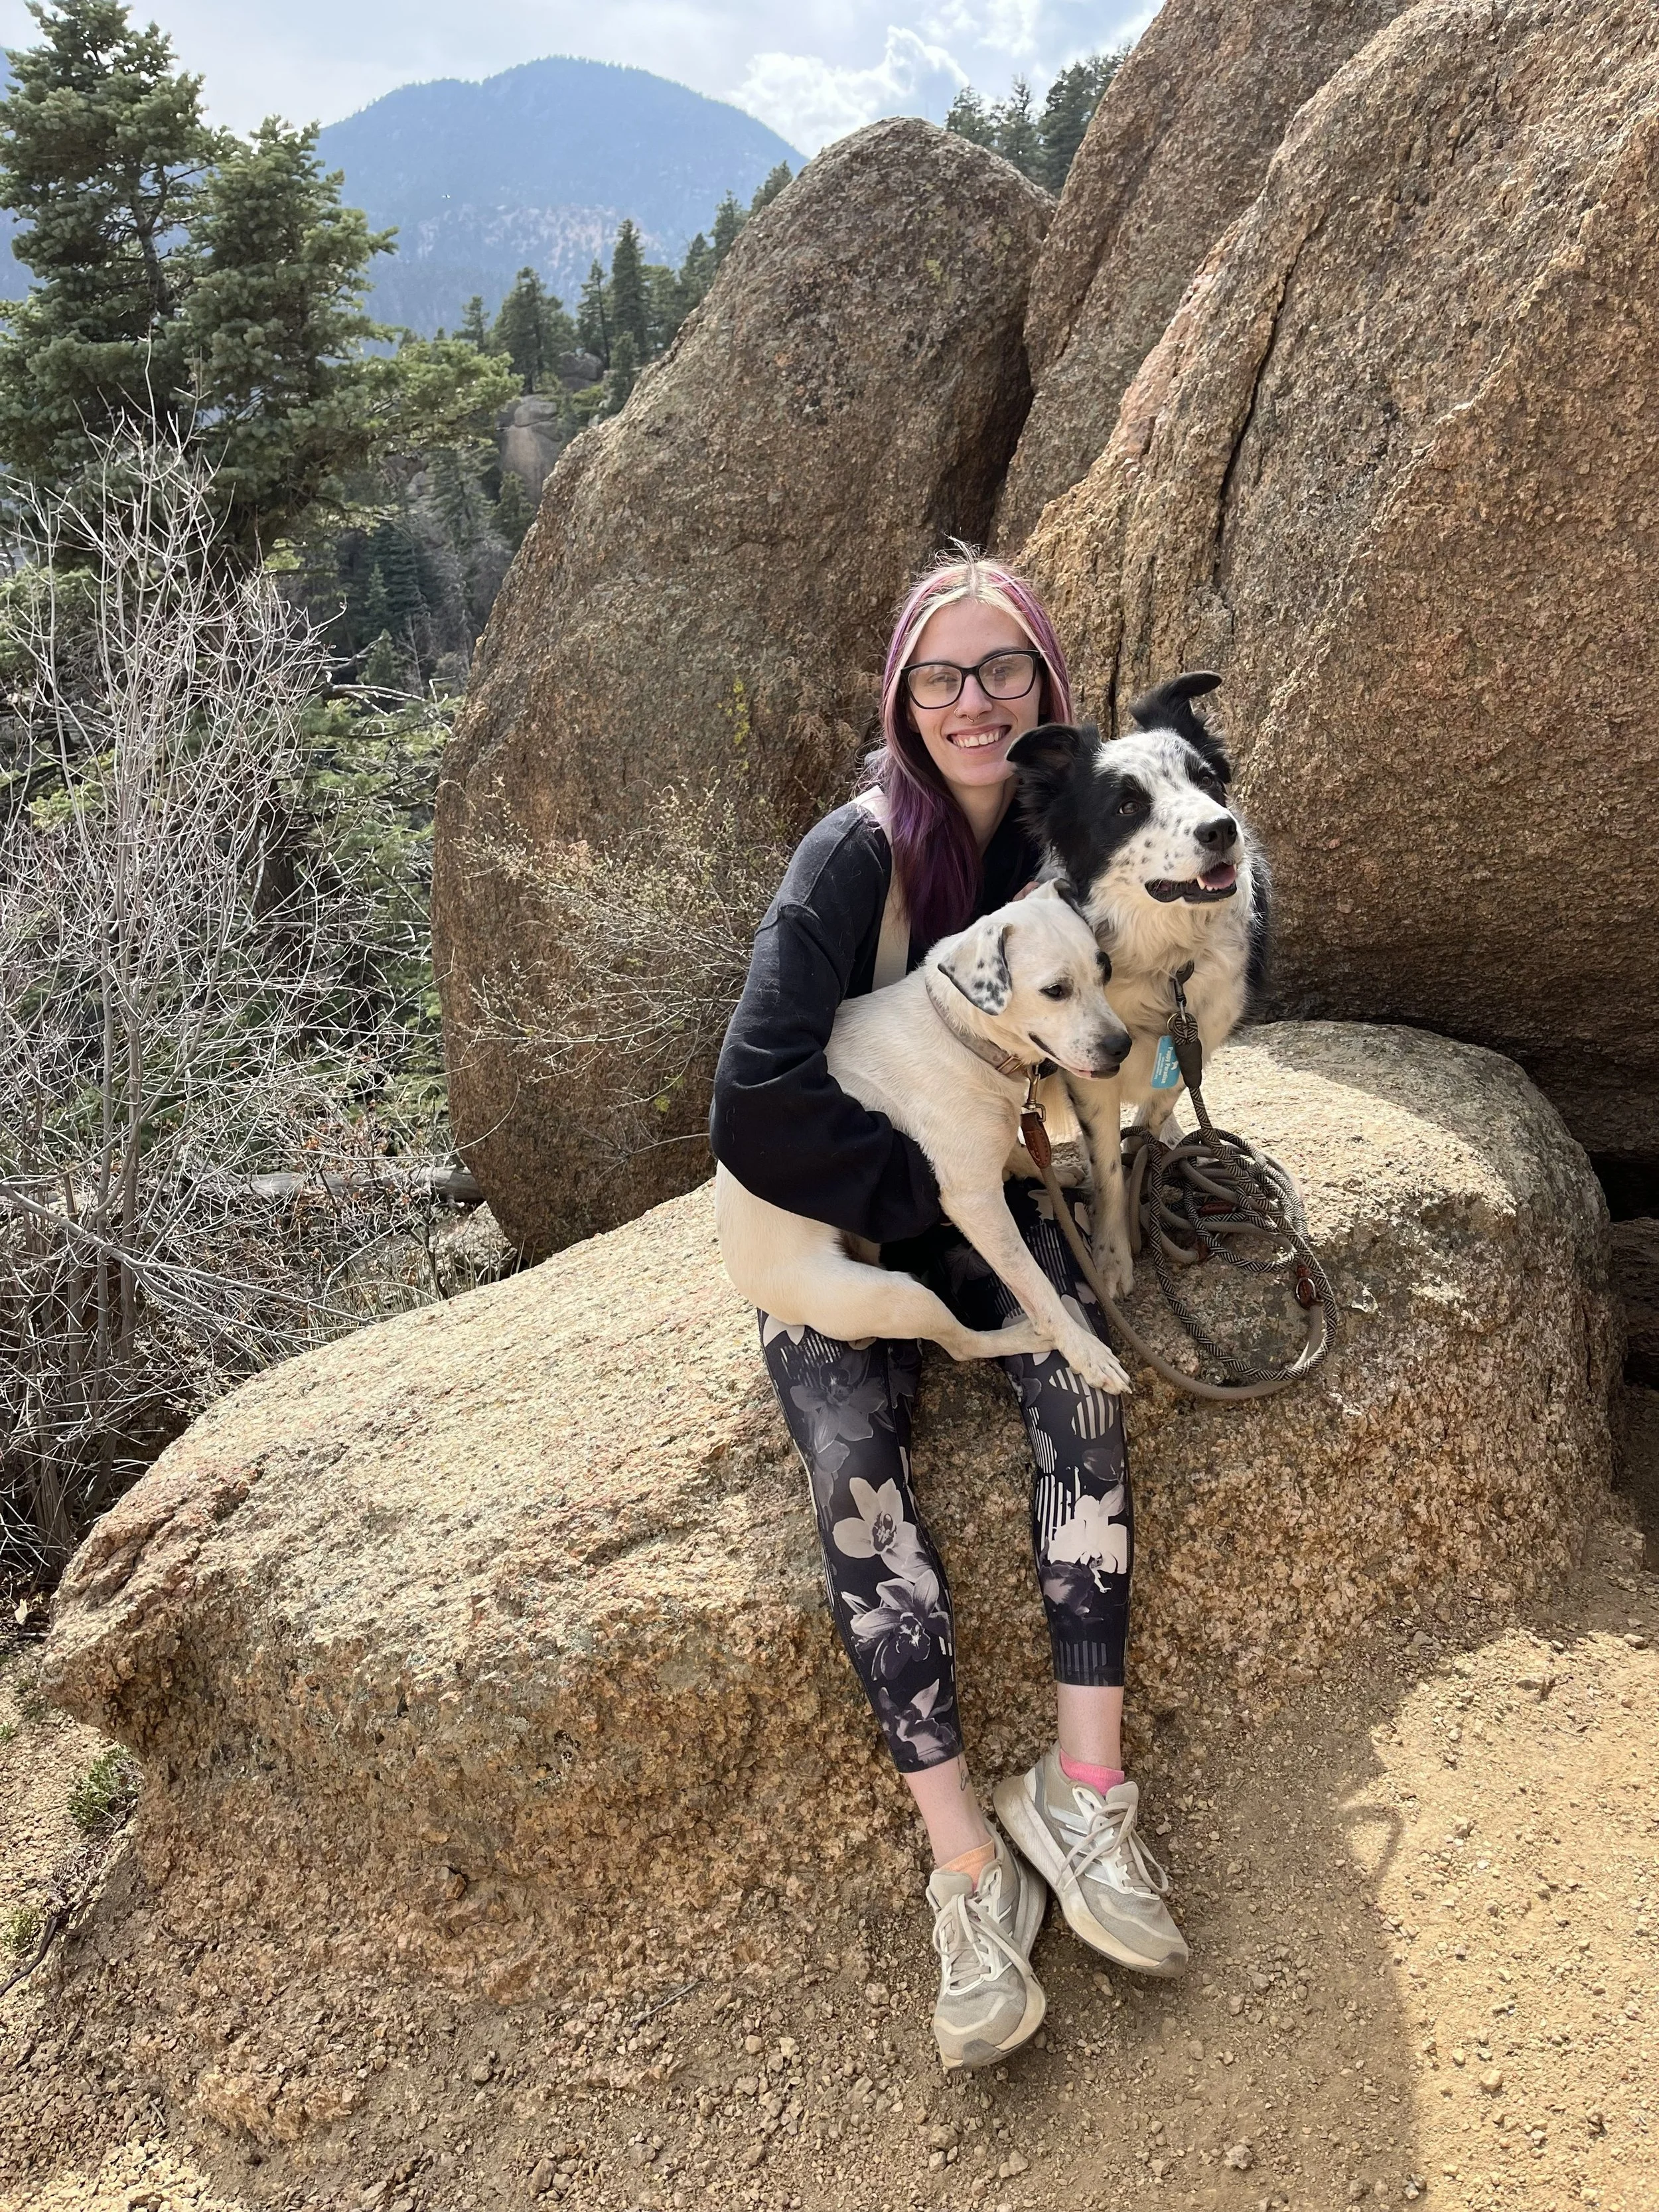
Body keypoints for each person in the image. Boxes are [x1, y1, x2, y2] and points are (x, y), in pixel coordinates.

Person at [709, 550, 1186, 2073]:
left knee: (1083, 1389)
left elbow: (1129, 1029)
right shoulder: (852, 856)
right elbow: (749, 1100)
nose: (972, 704)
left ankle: (1081, 1792)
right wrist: (932, 1226)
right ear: (900, 700)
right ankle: (963, 1870)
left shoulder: (1074, 848)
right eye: (940, 676)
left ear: (1049, 689)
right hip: (849, 1200)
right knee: (854, 1469)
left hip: (985, 1191)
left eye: (1004, 673)